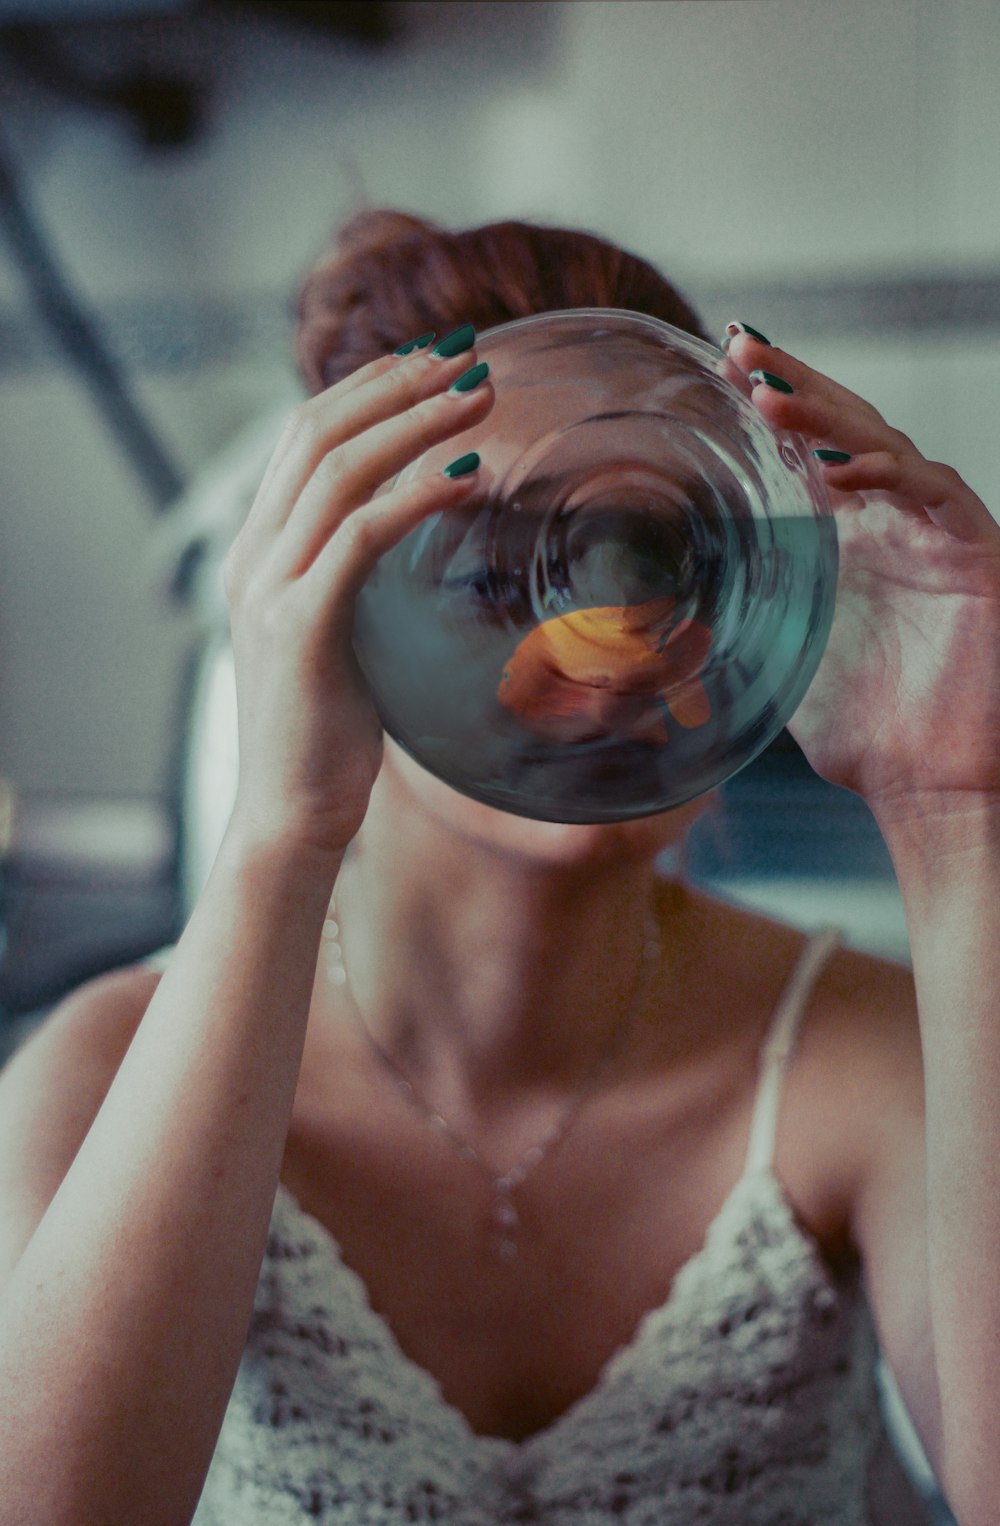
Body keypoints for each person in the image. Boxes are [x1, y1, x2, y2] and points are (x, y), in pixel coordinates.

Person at [0, 209, 997, 1526]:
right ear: (333, 607)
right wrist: (277, 830)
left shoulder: (863, 1050)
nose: (609, 649)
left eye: (668, 556)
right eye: (489, 569)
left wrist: (957, 807)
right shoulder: (94, 1077)